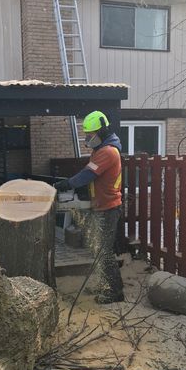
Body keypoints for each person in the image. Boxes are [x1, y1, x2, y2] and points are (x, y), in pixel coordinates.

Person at [54, 110, 124, 303]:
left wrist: (67, 184)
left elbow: (87, 175)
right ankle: (105, 285)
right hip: (101, 205)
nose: (87, 138)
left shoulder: (108, 152)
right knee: (98, 249)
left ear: (101, 132)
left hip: (108, 207)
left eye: (90, 135)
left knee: (104, 251)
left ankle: (115, 292)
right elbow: (93, 175)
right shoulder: (100, 150)